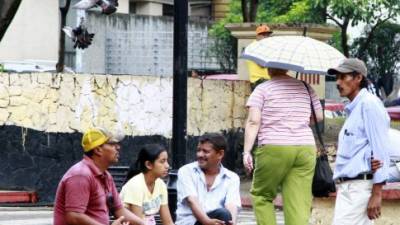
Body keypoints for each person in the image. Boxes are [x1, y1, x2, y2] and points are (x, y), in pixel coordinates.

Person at [243, 67, 323, 225]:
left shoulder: (263, 89)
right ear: (287, 68)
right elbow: (318, 116)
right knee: (298, 200)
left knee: (262, 194)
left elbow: (253, 121)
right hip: (305, 147)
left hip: (274, 146)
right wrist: (298, 123)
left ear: (268, 68)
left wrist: (246, 151)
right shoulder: (306, 87)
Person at [327, 58, 390, 225]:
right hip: (348, 188)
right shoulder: (354, 108)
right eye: (337, 78)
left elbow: (381, 149)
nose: (338, 82)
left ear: (358, 78)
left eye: (343, 77)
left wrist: (377, 194)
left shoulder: (369, 105)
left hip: (359, 188)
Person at [53, 127, 144, 225]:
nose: (118, 147)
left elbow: (119, 210)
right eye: (112, 144)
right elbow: (74, 217)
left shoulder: (106, 176)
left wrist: (143, 224)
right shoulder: (80, 175)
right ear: (98, 150)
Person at [175, 133, 241, 225]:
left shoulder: (232, 178)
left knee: (224, 214)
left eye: (205, 151)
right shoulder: (186, 171)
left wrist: (231, 222)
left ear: (220, 154)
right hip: (191, 223)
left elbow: (231, 204)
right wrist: (207, 221)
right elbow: (191, 200)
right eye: (198, 150)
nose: (200, 155)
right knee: (223, 214)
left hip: (217, 220)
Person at [120, 144, 174, 225]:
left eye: (167, 161)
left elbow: (168, 222)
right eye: (162, 161)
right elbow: (137, 223)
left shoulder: (161, 185)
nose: (167, 166)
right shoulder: (136, 185)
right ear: (148, 164)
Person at [246, 24, 273, 90]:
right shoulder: (254, 47)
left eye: (268, 35)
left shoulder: (263, 47)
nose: (266, 37)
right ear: (258, 35)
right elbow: (262, 64)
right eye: (263, 35)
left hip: (265, 80)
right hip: (259, 80)